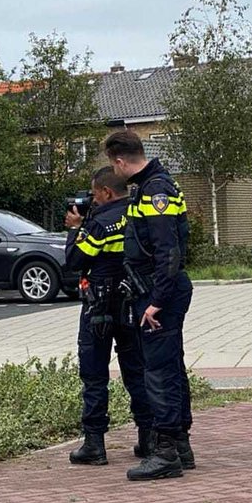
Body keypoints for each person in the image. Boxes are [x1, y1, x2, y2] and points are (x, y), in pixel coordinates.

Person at [103, 129, 195, 482]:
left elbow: (167, 250)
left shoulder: (155, 189)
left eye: (115, 165)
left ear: (120, 160)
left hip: (158, 294)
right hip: (158, 290)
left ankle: (166, 452)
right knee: (170, 367)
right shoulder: (155, 185)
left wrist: (156, 301)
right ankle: (180, 446)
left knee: (158, 372)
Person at [64, 167, 153, 466]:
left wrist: (75, 229)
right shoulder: (140, 214)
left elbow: (76, 261)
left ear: (106, 192)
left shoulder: (99, 224)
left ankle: (94, 444)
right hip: (132, 304)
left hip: (99, 306)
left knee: (94, 374)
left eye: (94, 194)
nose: (92, 199)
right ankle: (148, 438)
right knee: (137, 371)